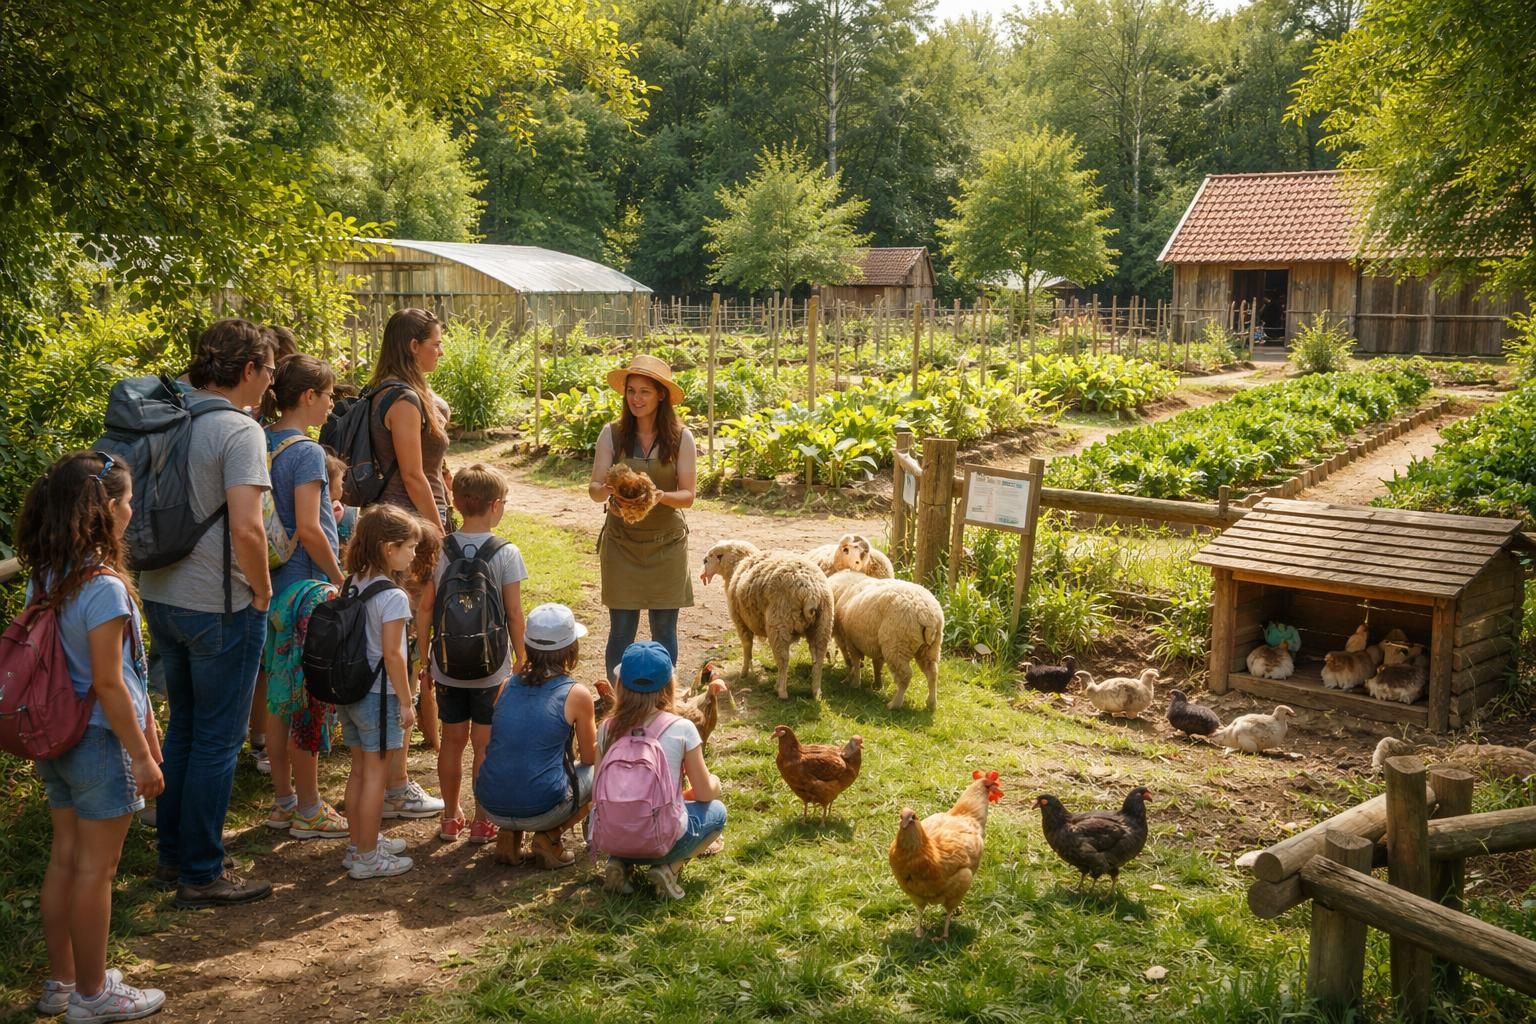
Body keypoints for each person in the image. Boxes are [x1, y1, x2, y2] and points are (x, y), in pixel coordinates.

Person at [22, 452, 168, 1021]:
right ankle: (92, 996)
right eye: (127, 499)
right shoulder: (104, 587)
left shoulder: (49, 573)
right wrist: (144, 755)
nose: (132, 508)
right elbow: (110, 682)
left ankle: (62, 982)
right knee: (96, 871)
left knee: (65, 859)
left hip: (56, 737)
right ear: (107, 509)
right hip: (101, 743)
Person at [140, 318, 275, 908]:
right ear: (247, 370)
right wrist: (264, 590)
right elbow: (248, 526)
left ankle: (174, 855)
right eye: (269, 372)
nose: (270, 384)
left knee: (186, 728)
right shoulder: (238, 431)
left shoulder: (166, 418)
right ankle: (201, 871)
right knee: (218, 740)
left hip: (160, 593)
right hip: (219, 604)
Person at [260, 354, 348, 841]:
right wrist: (342, 580)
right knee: (307, 701)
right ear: (308, 397)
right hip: (306, 590)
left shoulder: (263, 439)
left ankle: (283, 801)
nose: (332, 404)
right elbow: (312, 528)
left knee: (278, 695)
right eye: (329, 395)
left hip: (273, 587)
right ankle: (311, 807)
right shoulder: (308, 452)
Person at [416, 464, 528, 845]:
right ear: (495, 505)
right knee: (483, 745)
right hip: (489, 666)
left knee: (451, 741)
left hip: (447, 664)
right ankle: (482, 821)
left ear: (458, 502)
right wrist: (521, 656)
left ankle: (449, 818)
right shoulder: (506, 552)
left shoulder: (440, 550)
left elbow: (427, 607)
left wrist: (423, 656)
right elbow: (514, 612)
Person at [367, 307, 451, 817]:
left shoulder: (402, 393)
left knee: (411, 643)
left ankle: (400, 771)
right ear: (413, 345)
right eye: (435, 343)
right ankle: (396, 783)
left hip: (411, 530)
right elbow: (414, 476)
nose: (440, 351)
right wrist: (437, 533)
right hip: (407, 535)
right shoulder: (400, 398)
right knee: (407, 643)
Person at [587, 356, 697, 679]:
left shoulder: (680, 438)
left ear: (661, 395)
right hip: (622, 546)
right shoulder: (612, 434)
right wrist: (609, 488)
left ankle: (664, 704)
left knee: (664, 632)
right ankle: (618, 705)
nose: (636, 399)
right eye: (631, 391)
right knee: (621, 632)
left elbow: (688, 496)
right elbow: (594, 489)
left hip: (667, 547)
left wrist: (657, 496)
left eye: (645, 392)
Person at [335, 505, 424, 879]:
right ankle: (368, 858)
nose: (414, 554)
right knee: (376, 776)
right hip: (380, 695)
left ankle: (359, 843)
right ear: (389, 548)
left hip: (351, 692)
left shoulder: (353, 581)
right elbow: (393, 654)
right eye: (409, 547)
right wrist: (406, 702)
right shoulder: (394, 597)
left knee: (358, 771)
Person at [596, 642, 725, 900]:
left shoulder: (607, 728)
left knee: (623, 812)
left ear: (621, 685)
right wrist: (716, 784)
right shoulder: (681, 728)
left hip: (612, 836)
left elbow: (597, 789)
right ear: (669, 685)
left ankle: (618, 862)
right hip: (660, 839)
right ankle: (668, 868)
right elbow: (702, 793)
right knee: (717, 812)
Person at [474, 604, 595, 869]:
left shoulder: (506, 684)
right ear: (571, 650)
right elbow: (589, 756)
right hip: (542, 807)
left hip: (492, 805)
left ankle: (509, 835)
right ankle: (550, 836)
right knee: (601, 771)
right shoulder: (576, 694)